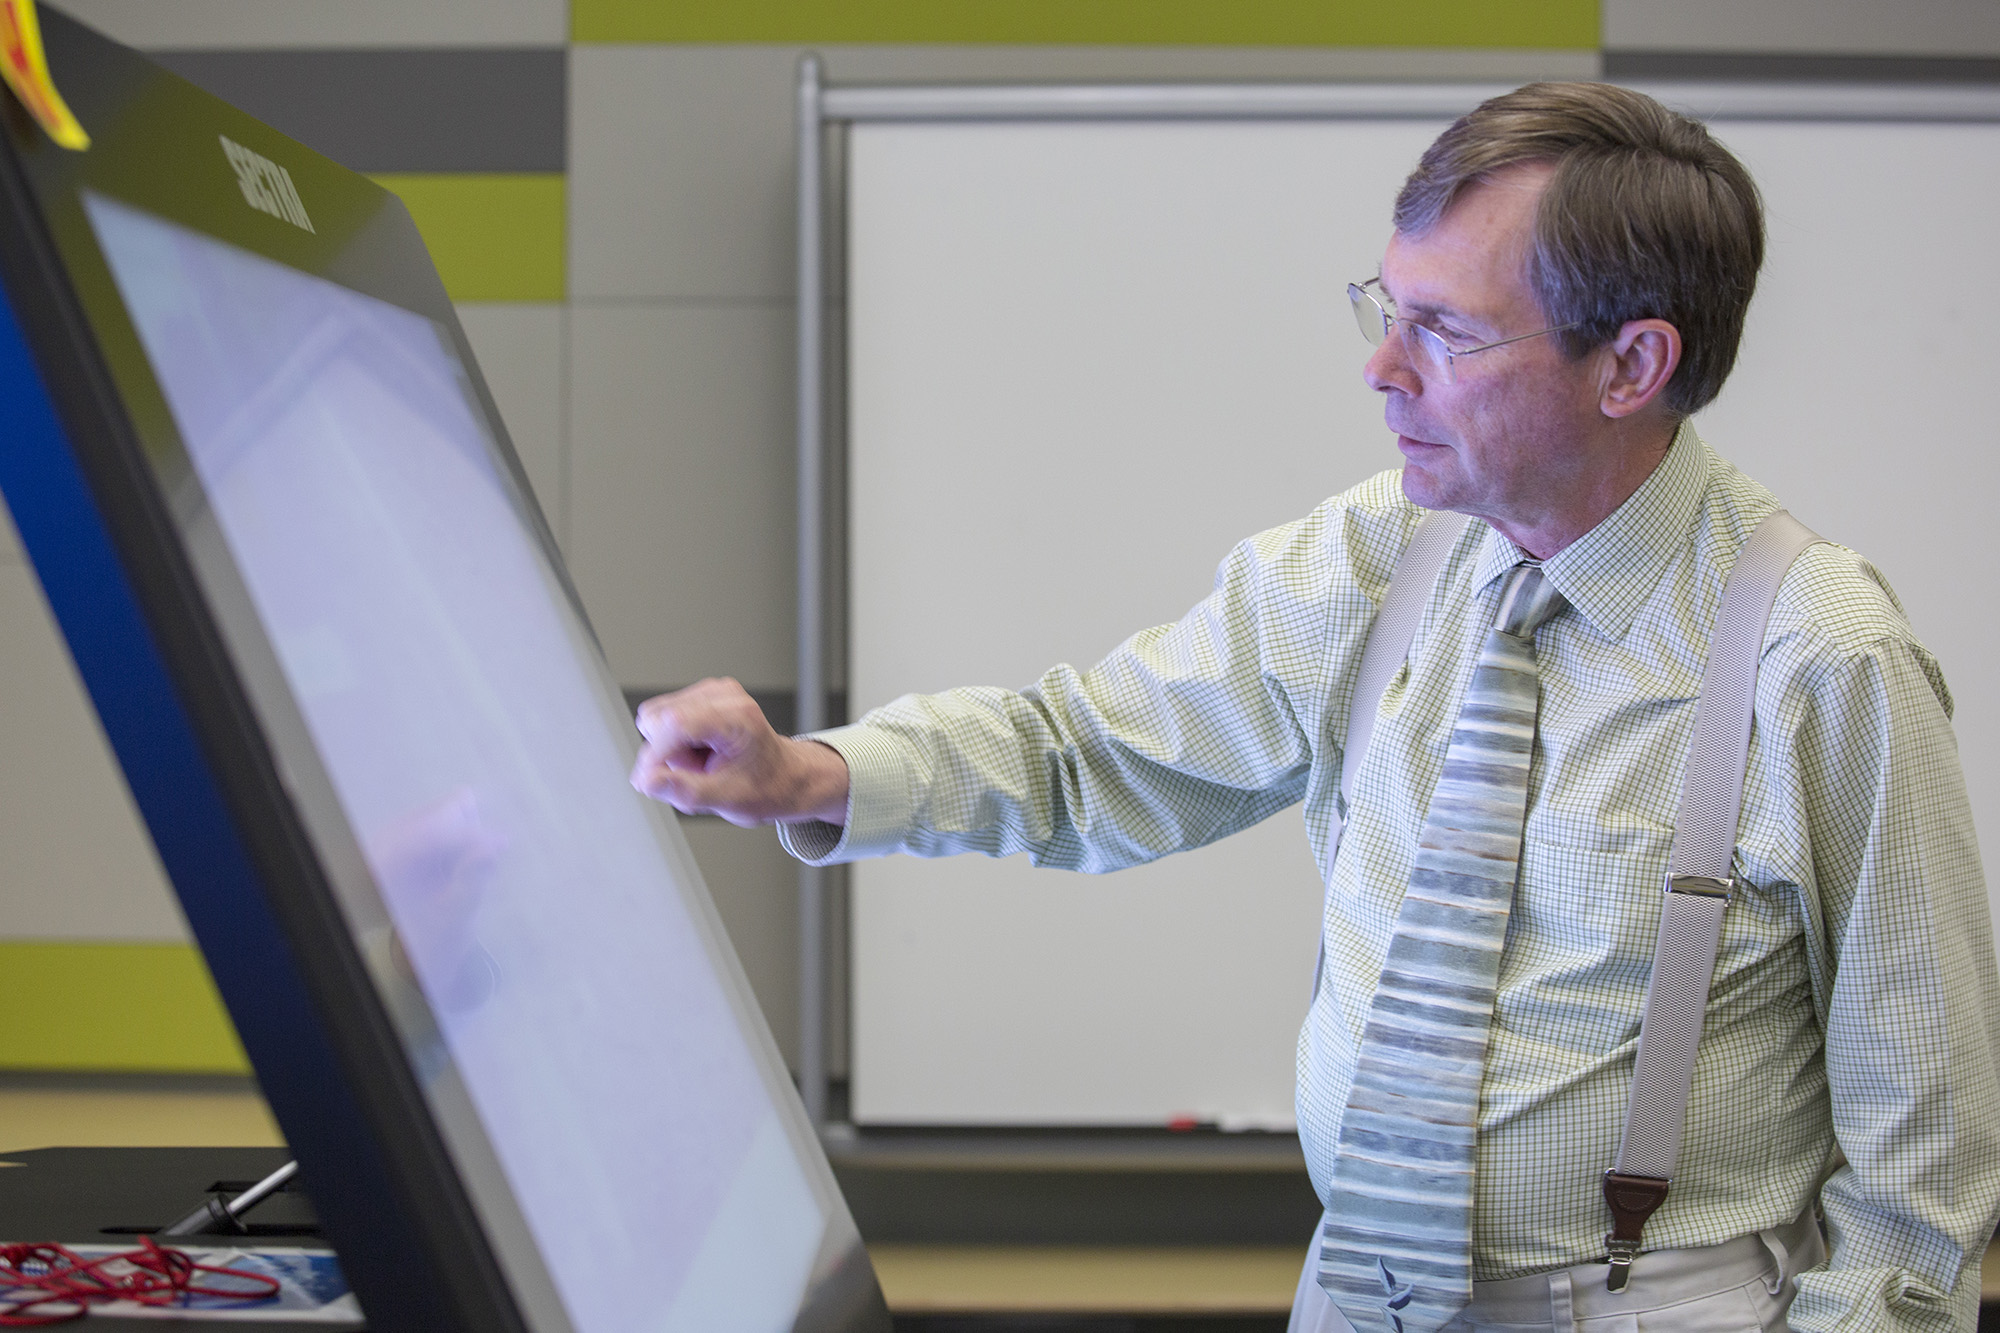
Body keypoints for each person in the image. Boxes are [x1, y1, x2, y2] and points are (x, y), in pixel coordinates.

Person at [629, 83, 2000, 1333]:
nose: (1382, 368)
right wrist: (809, 774)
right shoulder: (1373, 559)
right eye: (1382, 307)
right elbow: (1081, 751)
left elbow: (1920, 1181)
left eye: (1445, 330)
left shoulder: (1822, 660)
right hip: (1352, 1297)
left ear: (1632, 365)